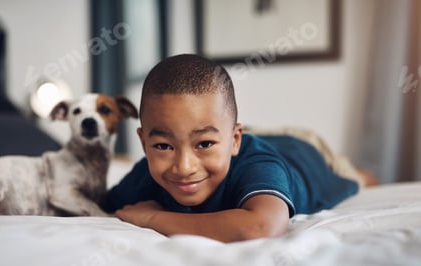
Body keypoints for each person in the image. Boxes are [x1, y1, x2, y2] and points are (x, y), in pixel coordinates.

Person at [103, 54, 364, 243]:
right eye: (163, 146)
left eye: (204, 144)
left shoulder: (259, 165)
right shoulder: (144, 175)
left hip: (303, 152)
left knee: (356, 177)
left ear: (236, 140)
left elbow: (261, 226)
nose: (184, 167)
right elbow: (100, 203)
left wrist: (152, 219)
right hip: (241, 136)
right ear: (143, 143)